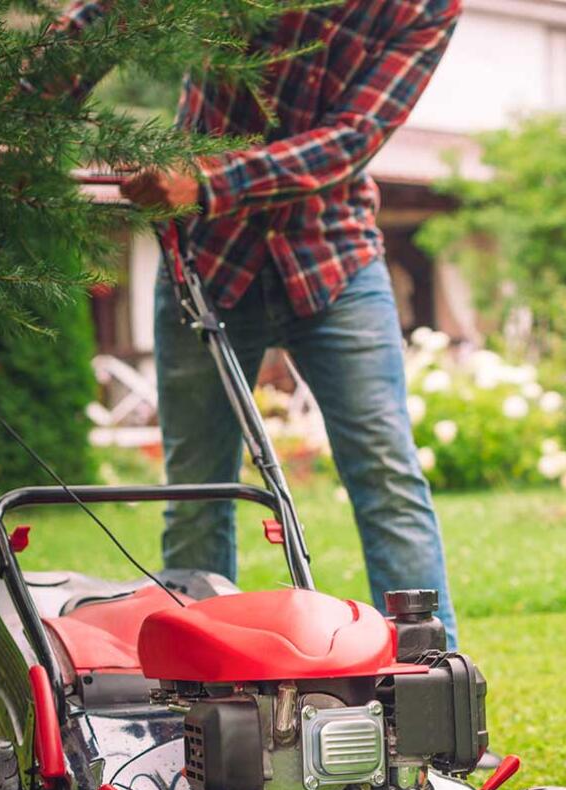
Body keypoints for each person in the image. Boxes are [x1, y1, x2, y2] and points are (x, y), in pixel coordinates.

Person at [39, 2, 464, 649]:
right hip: (210, 257)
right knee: (197, 492)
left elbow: (351, 141)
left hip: (332, 257)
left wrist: (211, 177)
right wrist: (23, 112)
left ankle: (435, 697)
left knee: (387, 477)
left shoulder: (425, 7)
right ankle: (196, 704)